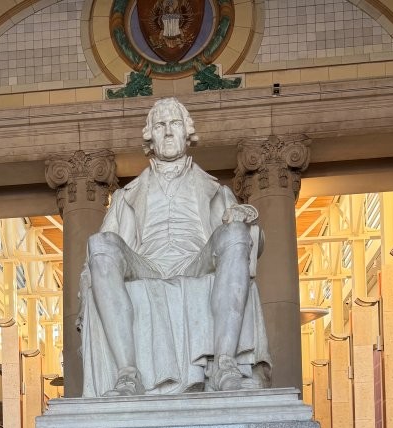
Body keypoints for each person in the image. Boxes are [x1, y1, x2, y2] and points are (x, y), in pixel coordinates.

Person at [79, 97, 272, 397]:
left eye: (175, 124)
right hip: (146, 262)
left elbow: (251, 245)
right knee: (100, 244)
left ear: (187, 133)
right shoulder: (125, 196)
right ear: (150, 138)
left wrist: (242, 221)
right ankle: (128, 374)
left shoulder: (216, 190)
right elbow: (96, 261)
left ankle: (223, 363)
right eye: (160, 126)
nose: (168, 132)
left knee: (234, 233)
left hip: (198, 258)